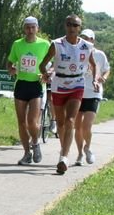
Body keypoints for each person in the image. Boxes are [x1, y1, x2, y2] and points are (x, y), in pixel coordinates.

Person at [40, 15, 98, 174]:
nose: (72, 27)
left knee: (70, 119)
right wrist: (45, 74)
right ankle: (64, 150)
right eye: (69, 24)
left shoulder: (86, 46)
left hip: (77, 84)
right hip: (59, 84)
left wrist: (94, 80)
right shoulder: (57, 44)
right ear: (65, 26)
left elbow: (93, 64)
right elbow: (42, 64)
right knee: (60, 124)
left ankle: (63, 158)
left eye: (75, 25)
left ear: (79, 28)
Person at [7, 16, 51, 165]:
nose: (30, 30)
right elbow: (10, 62)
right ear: (24, 29)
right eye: (27, 27)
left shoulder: (45, 44)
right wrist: (11, 69)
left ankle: (36, 143)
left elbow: (54, 64)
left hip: (36, 85)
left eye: (33, 27)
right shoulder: (17, 44)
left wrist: (47, 73)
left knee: (32, 121)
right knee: (21, 122)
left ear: (37, 28)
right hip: (21, 84)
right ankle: (26, 153)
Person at [74, 29, 110, 166]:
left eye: (87, 38)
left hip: (94, 92)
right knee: (77, 126)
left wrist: (103, 78)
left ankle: (87, 147)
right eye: (82, 38)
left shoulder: (100, 55)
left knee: (86, 125)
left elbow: (107, 69)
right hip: (77, 91)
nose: (85, 41)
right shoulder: (76, 53)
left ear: (92, 41)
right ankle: (79, 154)